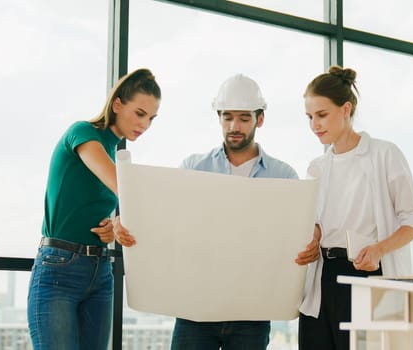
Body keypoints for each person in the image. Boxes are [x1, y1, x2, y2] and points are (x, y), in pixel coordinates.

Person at [115, 73, 320, 349]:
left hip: (252, 314)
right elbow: (166, 221)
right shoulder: (193, 168)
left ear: (259, 119)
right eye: (227, 117)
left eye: (244, 118)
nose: (234, 126)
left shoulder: (283, 175)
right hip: (194, 312)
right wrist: (126, 222)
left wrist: (312, 241)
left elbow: (292, 237)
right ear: (219, 118)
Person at [27, 68, 161, 350]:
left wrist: (112, 227)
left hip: (101, 272)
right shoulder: (83, 134)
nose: (145, 124)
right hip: (58, 269)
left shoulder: (116, 156)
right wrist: (128, 213)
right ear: (117, 105)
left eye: (151, 118)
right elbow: (118, 186)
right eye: (139, 113)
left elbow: (102, 207)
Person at [298, 66, 413, 350]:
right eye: (309, 117)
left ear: (346, 109)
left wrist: (379, 249)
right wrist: (314, 236)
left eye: (321, 115)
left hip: (366, 275)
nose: (314, 125)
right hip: (322, 279)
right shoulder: (316, 168)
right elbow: (317, 222)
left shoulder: (384, 154)